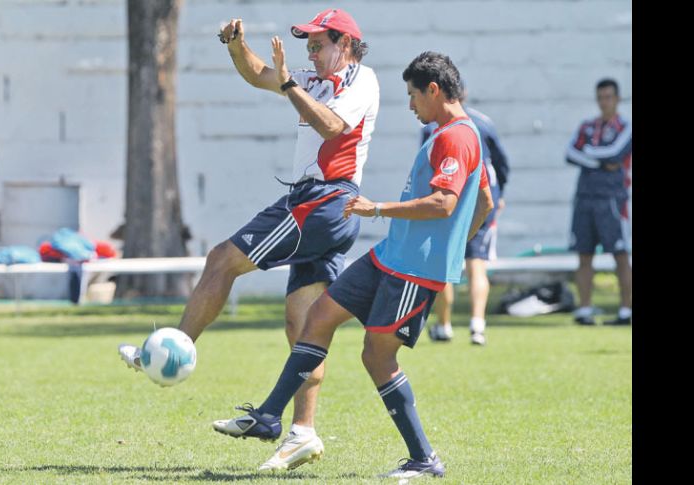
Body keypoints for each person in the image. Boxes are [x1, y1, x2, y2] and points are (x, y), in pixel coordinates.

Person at [117, 7, 379, 471]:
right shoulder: (314, 79)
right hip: (324, 208)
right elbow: (259, 74)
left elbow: (331, 126)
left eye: (318, 45)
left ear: (345, 44)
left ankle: (171, 348)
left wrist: (289, 83)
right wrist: (236, 46)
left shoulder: (362, 79)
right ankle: (303, 432)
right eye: (308, 47)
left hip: (322, 202)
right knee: (303, 326)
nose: (311, 54)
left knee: (222, 259)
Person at [212, 51, 493, 478]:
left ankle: (424, 459)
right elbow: (484, 200)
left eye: (413, 95)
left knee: (377, 357)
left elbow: (444, 203)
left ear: (434, 90)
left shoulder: (456, 137)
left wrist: (380, 210)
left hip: (414, 271)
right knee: (319, 317)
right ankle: (269, 415)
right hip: (389, 257)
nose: (410, 105)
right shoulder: (452, 134)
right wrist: (456, 242)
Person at [422, 82, 510, 345]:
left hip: (450, 197)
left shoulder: (432, 127)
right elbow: (502, 164)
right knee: (477, 263)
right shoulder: (483, 123)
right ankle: (477, 325)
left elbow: (426, 166)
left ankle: (444, 325)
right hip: (483, 198)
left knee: (445, 261)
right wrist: (499, 195)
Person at [565, 78, 632, 325]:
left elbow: (615, 153)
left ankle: (626, 310)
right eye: (601, 97)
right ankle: (584, 309)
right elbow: (570, 153)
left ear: (617, 99)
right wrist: (599, 161)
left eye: (609, 97)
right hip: (585, 198)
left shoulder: (625, 127)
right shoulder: (587, 126)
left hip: (612, 199)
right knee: (584, 254)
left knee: (620, 254)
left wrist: (589, 154)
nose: (604, 102)